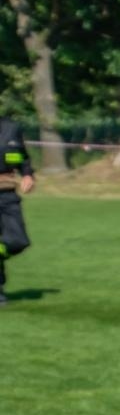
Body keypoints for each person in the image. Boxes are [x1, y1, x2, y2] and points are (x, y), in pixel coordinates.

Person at [0, 114, 35, 306]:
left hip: (6, 194)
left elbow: (22, 156)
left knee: (18, 240)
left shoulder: (11, 128)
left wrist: (28, 174)